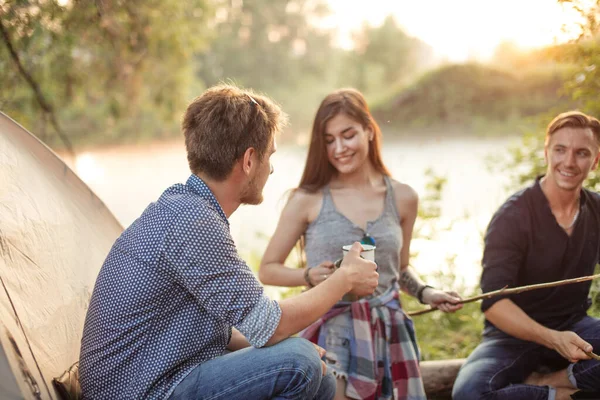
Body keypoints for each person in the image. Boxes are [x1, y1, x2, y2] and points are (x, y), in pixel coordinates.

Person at [78, 84, 381, 400]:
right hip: (142, 393)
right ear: (249, 160)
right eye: (270, 156)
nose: (272, 168)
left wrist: (285, 347)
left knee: (323, 381)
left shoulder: (188, 209)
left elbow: (232, 330)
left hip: (162, 380)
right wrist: (344, 278)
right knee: (299, 362)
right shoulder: (194, 222)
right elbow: (271, 325)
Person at [259, 88, 462, 400]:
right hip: (332, 335)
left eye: (348, 135)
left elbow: (400, 269)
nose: (339, 148)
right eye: (329, 140)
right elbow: (268, 270)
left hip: (391, 335)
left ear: (369, 130)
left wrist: (427, 293)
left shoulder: (403, 197)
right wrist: (308, 276)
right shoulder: (307, 199)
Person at [452, 111, 600, 400]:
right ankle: (560, 394)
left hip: (574, 326)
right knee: (470, 392)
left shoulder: (596, 209)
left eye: (581, 153)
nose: (569, 162)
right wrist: (554, 339)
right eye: (560, 150)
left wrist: (563, 338)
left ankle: (553, 380)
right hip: (511, 338)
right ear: (546, 152)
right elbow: (494, 303)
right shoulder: (513, 215)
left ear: (595, 161)